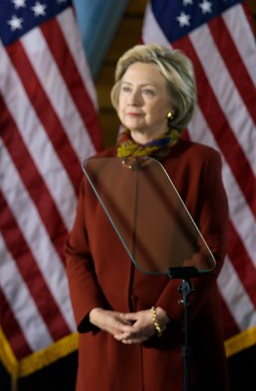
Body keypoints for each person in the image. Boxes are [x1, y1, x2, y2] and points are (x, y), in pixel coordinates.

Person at [64, 43, 229, 390]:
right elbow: (77, 252)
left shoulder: (200, 162)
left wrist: (161, 316)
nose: (132, 100)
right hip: (108, 344)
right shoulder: (98, 167)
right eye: (126, 88)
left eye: (148, 91)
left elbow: (208, 250)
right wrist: (95, 314)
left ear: (173, 104)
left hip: (172, 343)